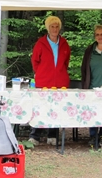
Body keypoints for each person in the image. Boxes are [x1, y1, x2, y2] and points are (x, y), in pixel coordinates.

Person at [28, 16, 71, 146]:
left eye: (57, 26)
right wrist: (42, 73)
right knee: (40, 107)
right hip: (43, 82)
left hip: (60, 83)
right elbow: (35, 61)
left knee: (56, 108)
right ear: (48, 28)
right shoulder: (40, 43)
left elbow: (66, 62)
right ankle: (35, 136)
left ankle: (52, 135)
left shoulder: (64, 43)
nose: (55, 29)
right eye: (52, 26)